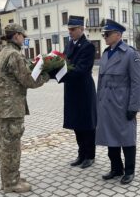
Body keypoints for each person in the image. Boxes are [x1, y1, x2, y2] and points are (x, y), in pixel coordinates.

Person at [0, 23, 49, 193]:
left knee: (5, 146)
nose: (24, 39)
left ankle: (9, 178)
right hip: (10, 109)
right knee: (11, 147)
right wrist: (46, 75)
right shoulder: (14, 55)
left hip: (1, 108)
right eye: (23, 36)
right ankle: (11, 183)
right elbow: (28, 80)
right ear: (16, 35)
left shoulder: (2, 53)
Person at [96, 19, 140, 184]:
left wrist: (134, 106)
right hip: (106, 104)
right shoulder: (105, 53)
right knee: (110, 137)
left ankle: (129, 171)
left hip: (122, 104)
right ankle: (116, 168)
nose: (105, 37)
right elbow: (100, 81)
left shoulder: (130, 54)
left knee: (127, 138)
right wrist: (98, 102)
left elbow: (137, 83)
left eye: (107, 34)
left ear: (118, 34)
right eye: (104, 34)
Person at [58, 15, 97, 169]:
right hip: (71, 89)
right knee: (76, 124)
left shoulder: (88, 46)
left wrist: (63, 73)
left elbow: (81, 69)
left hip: (84, 90)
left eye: (73, 29)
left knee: (87, 125)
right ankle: (81, 154)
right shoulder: (68, 45)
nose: (70, 32)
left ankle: (90, 155)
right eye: (69, 29)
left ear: (82, 29)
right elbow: (62, 62)